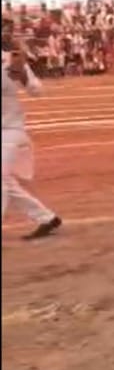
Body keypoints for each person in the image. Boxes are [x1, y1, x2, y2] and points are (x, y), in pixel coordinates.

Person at [2, 46, 61, 240]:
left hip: (10, 129)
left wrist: (23, 76)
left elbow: (37, 90)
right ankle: (47, 218)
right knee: (6, 182)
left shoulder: (9, 60)